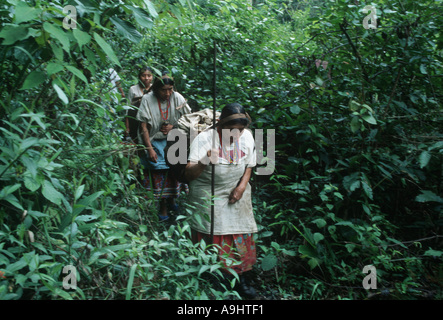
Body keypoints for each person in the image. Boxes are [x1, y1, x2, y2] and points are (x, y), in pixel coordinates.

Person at [184, 103, 258, 298]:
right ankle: (214, 278)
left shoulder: (247, 137)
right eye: (230, 130)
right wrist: (204, 161)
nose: (236, 135)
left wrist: (242, 186)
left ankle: (241, 278)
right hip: (209, 192)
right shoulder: (204, 139)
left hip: (235, 191)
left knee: (239, 233)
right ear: (219, 126)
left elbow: (250, 164)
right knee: (215, 236)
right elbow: (188, 174)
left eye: (240, 130)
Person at [136, 74, 191, 221]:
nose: (167, 93)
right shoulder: (147, 99)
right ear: (156, 89)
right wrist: (149, 149)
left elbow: (189, 119)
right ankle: (163, 207)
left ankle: (173, 200)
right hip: (155, 140)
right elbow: (144, 127)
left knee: (175, 171)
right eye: (163, 90)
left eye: (170, 89)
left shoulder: (177, 97)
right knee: (159, 173)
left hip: (174, 139)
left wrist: (173, 127)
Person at [125, 66, 153, 142]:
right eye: (143, 75)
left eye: (149, 76)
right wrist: (127, 127)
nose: (146, 78)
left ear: (152, 77)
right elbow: (127, 108)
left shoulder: (154, 89)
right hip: (134, 121)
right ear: (139, 77)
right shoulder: (133, 89)